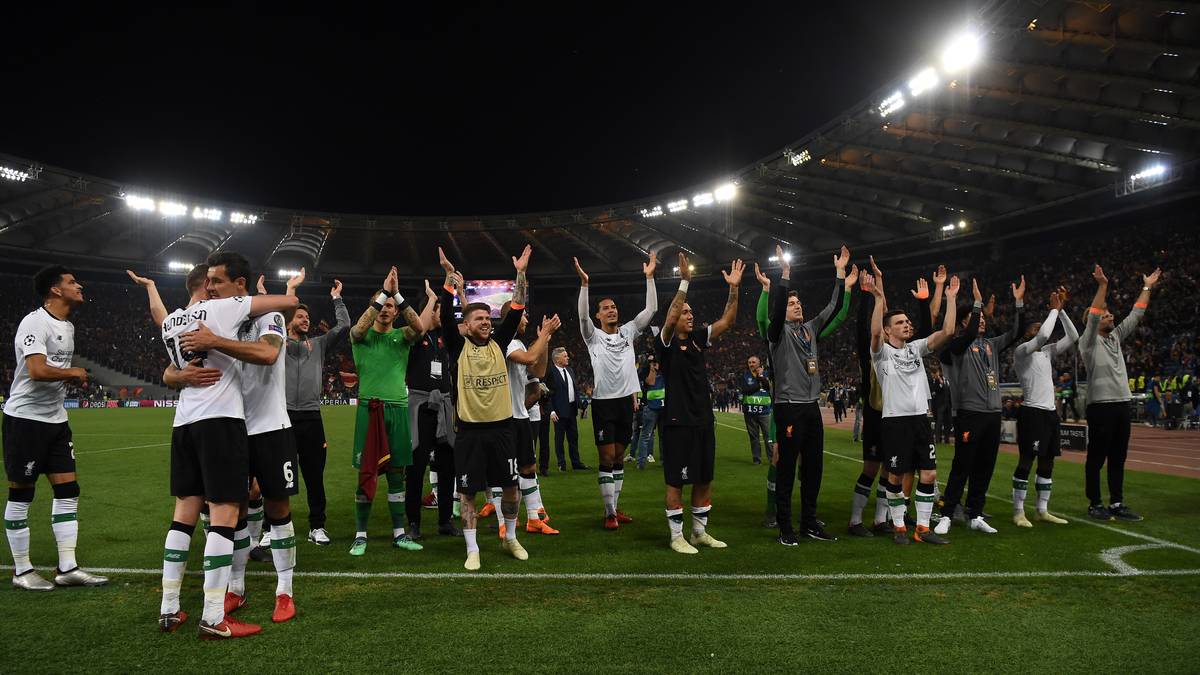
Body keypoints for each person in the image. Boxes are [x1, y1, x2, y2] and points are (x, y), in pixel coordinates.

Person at [152, 255, 299, 638]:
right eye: (209, 281)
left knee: (276, 507)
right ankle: (234, 589)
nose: (211, 287)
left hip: (268, 426)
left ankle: (284, 590)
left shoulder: (267, 318)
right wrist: (178, 374)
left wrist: (215, 341)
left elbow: (268, 355)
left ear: (240, 284)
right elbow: (171, 368)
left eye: (217, 281)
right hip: (228, 427)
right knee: (230, 512)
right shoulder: (211, 315)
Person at [4, 265, 108, 592]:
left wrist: (69, 375)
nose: (79, 286)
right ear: (55, 290)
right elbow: (36, 370)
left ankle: (67, 568)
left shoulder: (68, 325)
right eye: (72, 282)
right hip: (25, 420)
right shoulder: (34, 322)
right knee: (22, 494)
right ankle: (22, 571)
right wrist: (72, 373)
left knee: (68, 491)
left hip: (56, 420)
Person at [438, 245, 535, 571]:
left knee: (510, 488)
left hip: (502, 429)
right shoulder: (456, 344)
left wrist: (520, 272)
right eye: (478, 318)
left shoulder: (500, 342)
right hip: (469, 433)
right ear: (465, 324)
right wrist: (450, 277)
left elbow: (518, 307)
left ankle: (509, 538)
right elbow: (444, 309)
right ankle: (472, 549)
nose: (485, 322)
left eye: (487, 318)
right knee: (468, 494)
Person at [655, 253, 743, 554]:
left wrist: (734, 288)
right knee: (677, 482)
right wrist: (684, 282)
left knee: (704, 478)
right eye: (686, 312)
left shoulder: (698, 338)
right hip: (678, 422)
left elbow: (728, 321)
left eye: (691, 312)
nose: (690, 315)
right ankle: (676, 536)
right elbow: (669, 316)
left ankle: (698, 533)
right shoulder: (665, 343)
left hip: (704, 420)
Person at [868, 257, 960, 545]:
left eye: (907, 321)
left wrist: (950, 298)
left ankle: (921, 528)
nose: (907, 325)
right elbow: (873, 332)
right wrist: (878, 298)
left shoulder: (916, 348)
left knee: (929, 473)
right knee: (895, 477)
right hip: (895, 422)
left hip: (921, 418)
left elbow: (947, 332)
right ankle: (898, 527)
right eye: (900, 323)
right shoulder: (881, 353)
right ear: (888, 330)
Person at [768, 244, 854, 545]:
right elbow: (776, 311)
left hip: (811, 407)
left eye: (799, 303)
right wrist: (785, 277)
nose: (797, 306)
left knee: (814, 467)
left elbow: (833, 307)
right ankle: (785, 526)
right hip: (789, 407)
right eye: (792, 303)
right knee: (788, 468)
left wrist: (840, 274)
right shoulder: (776, 333)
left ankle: (808, 522)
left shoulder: (810, 329)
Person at [347, 267, 433, 556]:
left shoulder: (403, 336)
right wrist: (384, 292)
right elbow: (359, 328)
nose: (386, 308)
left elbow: (421, 327)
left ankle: (399, 533)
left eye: (390, 306)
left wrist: (396, 293)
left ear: (396, 311)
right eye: (381, 303)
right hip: (370, 410)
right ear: (373, 308)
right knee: (366, 475)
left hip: (397, 409)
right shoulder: (360, 336)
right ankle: (360, 535)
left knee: (398, 474)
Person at [935, 276, 1026, 536]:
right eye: (977, 318)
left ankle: (975, 513)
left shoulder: (991, 345)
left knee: (985, 466)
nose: (983, 321)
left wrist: (1018, 302)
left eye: (984, 318)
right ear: (966, 322)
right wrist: (977, 303)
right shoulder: (957, 345)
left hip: (992, 414)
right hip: (969, 413)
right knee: (962, 465)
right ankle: (947, 514)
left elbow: (1017, 332)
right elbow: (972, 331)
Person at [573, 253, 658, 528]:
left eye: (614, 307)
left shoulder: (629, 332)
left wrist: (650, 277)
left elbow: (651, 311)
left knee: (620, 457)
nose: (612, 310)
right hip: (603, 403)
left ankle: (615, 508)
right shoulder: (593, 336)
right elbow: (582, 314)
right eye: (606, 308)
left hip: (625, 402)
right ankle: (609, 513)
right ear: (599, 315)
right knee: (607, 457)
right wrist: (585, 284)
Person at [1079, 264, 1161, 521]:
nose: (1110, 315)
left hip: (1121, 404)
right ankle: (1094, 503)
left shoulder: (1115, 337)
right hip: (1100, 405)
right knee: (1097, 457)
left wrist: (1147, 287)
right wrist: (1103, 285)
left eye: (1110, 313)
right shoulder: (1088, 341)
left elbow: (1136, 314)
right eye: (1106, 315)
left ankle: (1116, 503)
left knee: (1118, 457)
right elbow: (1093, 315)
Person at [284, 275, 350, 546]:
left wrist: (337, 299)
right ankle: (271, 528)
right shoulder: (276, 343)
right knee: (277, 476)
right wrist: (289, 292)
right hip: (282, 416)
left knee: (314, 476)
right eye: (299, 316)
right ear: (288, 319)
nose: (305, 320)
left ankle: (317, 526)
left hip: (311, 417)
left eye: (306, 317)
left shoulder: (319, 344)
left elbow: (345, 325)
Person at [1011, 287, 1077, 528]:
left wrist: (1062, 311)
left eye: (1041, 327)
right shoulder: (1022, 352)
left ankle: (1042, 510)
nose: (1040, 331)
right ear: (1026, 334)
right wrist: (1052, 310)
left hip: (1050, 414)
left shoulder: (1047, 353)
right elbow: (1041, 336)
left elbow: (1073, 337)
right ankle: (1018, 511)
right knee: (1026, 461)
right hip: (1032, 413)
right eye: (1034, 328)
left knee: (1048, 462)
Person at [500, 302, 560, 535]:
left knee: (528, 467)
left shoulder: (518, 343)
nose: (526, 320)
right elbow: (528, 359)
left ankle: (534, 518)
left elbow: (538, 371)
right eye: (524, 316)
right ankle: (504, 524)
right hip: (505, 417)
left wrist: (545, 340)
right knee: (505, 472)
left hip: (520, 415)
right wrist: (544, 335)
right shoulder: (504, 342)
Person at [405, 289, 462, 538]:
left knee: (447, 466)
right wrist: (429, 300)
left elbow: (466, 326)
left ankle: (445, 520)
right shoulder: (416, 335)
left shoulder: (445, 337)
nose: (444, 314)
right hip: (421, 407)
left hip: (444, 409)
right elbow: (420, 327)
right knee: (417, 467)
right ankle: (414, 522)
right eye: (439, 309)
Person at [545, 348, 587, 471]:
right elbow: (548, 394)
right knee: (559, 439)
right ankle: (561, 463)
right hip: (558, 412)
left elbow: (575, 390)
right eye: (565, 356)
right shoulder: (551, 372)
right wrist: (551, 411)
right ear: (557, 359)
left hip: (571, 409)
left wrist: (581, 406)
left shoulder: (570, 370)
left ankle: (576, 462)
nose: (567, 357)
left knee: (573, 437)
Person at [739, 356, 772, 465]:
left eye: (753, 362)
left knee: (768, 437)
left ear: (759, 363)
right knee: (754, 438)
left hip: (764, 412)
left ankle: (771, 459)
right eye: (749, 362)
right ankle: (757, 460)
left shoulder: (766, 374)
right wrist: (759, 380)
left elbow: (768, 387)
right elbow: (746, 390)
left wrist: (761, 376)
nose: (751, 364)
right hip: (750, 412)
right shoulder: (744, 376)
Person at [636, 354, 664, 469]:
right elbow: (651, 382)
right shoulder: (644, 371)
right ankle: (641, 462)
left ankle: (664, 461)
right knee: (646, 436)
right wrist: (652, 368)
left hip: (663, 407)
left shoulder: (664, 369)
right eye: (651, 360)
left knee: (664, 436)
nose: (653, 362)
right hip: (650, 407)